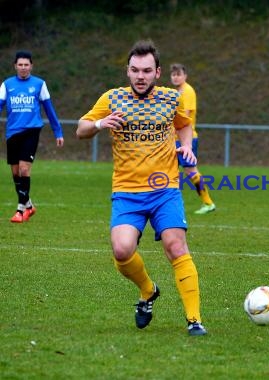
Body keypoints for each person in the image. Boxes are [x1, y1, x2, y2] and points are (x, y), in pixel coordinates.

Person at [76, 40, 207, 336]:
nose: (140, 76)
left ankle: (194, 320)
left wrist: (186, 147)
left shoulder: (170, 99)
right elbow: (80, 129)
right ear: (127, 71)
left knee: (176, 246)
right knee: (122, 250)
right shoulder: (112, 98)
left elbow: (184, 125)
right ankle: (148, 291)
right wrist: (99, 125)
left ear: (157, 72)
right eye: (135, 70)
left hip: (165, 190)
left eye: (147, 70)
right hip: (127, 191)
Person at [0, 50, 64, 223]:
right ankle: (29, 205)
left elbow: (49, 110)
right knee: (15, 172)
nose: (23, 68)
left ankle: (20, 210)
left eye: (26, 65)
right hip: (12, 133)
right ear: (15, 66)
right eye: (20, 65)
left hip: (31, 131)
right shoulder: (6, 85)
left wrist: (58, 131)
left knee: (24, 169)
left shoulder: (39, 84)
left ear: (31, 66)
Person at [170, 63, 216, 215]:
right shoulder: (176, 91)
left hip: (186, 139)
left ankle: (208, 202)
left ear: (185, 76)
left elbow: (186, 115)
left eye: (179, 74)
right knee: (170, 171)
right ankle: (170, 203)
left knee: (190, 171)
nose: (176, 77)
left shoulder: (187, 91)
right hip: (175, 138)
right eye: (173, 74)